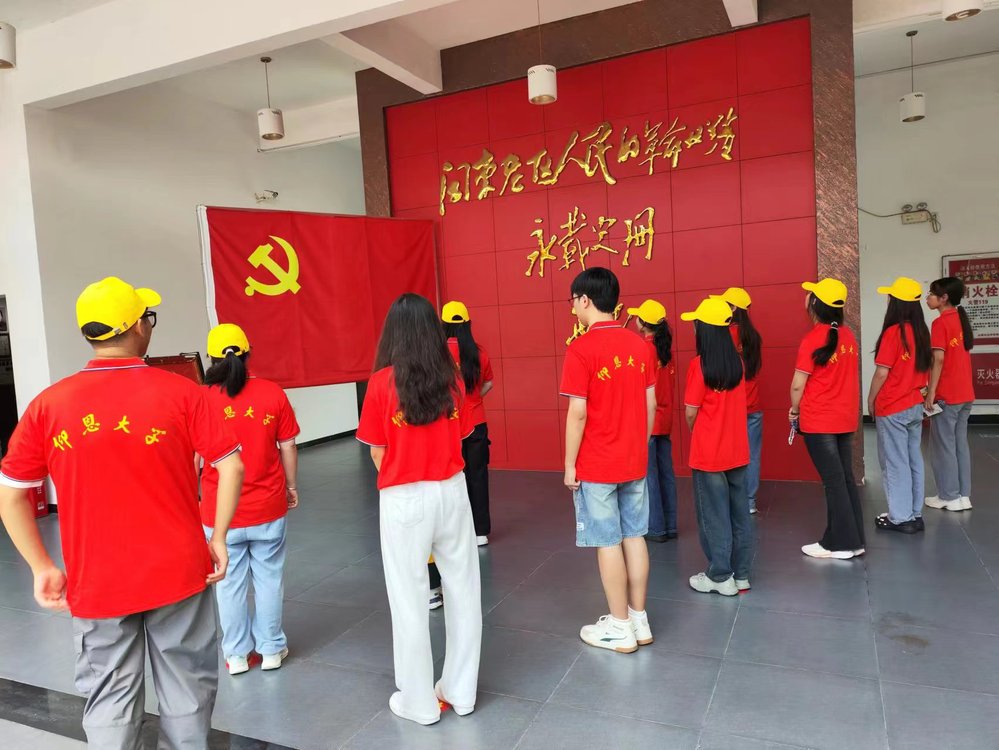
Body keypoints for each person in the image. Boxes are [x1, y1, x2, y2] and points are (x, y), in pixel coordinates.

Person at [0, 277, 243, 749]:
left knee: (109, 693)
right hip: (178, 568)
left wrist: (42, 566)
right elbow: (230, 465)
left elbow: (11, 494)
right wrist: (217, 537)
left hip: (97, 577)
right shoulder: (182, 393)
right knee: (187, 686)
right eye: (148, 318)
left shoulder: (49, 404)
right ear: (137, 327)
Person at [356, 293, 481, 725]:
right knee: (464, 590)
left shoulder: (380, 384)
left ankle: (419, 702)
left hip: (404, 497)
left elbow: (377, 452)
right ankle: (461, 692)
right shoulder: (452, 379)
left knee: (408, 598)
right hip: (452, 491)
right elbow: (461, 435)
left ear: (393, 332)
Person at [561, 268, 657, 653]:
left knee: (607, 540)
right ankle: (639, 619)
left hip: (598, 461)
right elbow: (651, 404)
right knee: (635, 535)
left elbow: (578, 413)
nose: (573, 308)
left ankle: (619, 626)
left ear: (585, 299)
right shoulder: (640, 346)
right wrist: (639, 445)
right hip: (634, 459)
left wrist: (570, 464)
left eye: (573, 301)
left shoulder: (580, 349)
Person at [200, 323, 301, 675]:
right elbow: (288, 445)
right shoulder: (272, 393)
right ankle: (271, 649)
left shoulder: (202, 399)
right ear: (248, 353)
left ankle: (237, 655)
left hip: (219, 514)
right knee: (269, 578)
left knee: (228, 583)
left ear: (211, 357)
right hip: (267, 507)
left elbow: (194, 457)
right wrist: (291, 486)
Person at [681, 297, 752, 596]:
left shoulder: (699, 366)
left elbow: (691, 412)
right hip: (737, 450)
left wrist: (699, 433)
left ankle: (720, 576)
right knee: (739, 514)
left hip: (709, 453)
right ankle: (741, 574)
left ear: (703, 329)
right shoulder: (737, 363)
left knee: (713, 515)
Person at [790, 279, 864, 559]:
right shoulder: (849, 337)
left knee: (834, 482)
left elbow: (798, 385)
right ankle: (853, 539)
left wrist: (794, 410)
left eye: (810, 294)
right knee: (844, 479)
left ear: (815, 303)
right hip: (844, 419)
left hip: (819, 420)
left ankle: (841, 544)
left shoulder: (812, 339)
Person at [869, 277, 932, 533]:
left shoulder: (894, 332)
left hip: (893, 406)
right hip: (915, 405)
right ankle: (914, 513)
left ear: (896, 302)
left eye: (890, 296)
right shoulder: (922, 332)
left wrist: (871, 400)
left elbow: (881, 373)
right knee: (913, 459)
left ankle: (900, 517)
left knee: (894, 463)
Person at [441, 301, 494, 545]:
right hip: (476, 422)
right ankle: (480, 532)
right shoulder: (479, 353)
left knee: (450, 479)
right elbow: (488, 383)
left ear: (443, 324)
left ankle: (454, 531)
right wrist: (472, 400)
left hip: (447, 425)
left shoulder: (437, 354)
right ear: (467, 324)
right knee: (478, 476)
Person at [628, 299, 678, 543]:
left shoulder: (643, 350)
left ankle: (656, 527)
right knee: (666, 474)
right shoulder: (665, 350)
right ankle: (670, 525)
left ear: (643, 323)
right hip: (664, 419)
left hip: (648, 420)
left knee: (650, 477)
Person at [924, 277, 975, 512]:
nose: (928, 297)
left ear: (944, 298)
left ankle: (948, 496)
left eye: (932, 293)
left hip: (947, 395)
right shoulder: (960, 319)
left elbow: (938, 359)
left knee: (944, 447)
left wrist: (931, 392)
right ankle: (963, 496)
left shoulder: (940, 323)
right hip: (965, 394)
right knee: (959, 445)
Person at [712, 287, 763, 514]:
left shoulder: (727, 334)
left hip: (733, 406)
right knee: (752, 455)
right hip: (753, 404)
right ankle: (749, 501)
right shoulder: (754, 336)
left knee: (731, 455)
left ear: (733, 308)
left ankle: (733, 501)